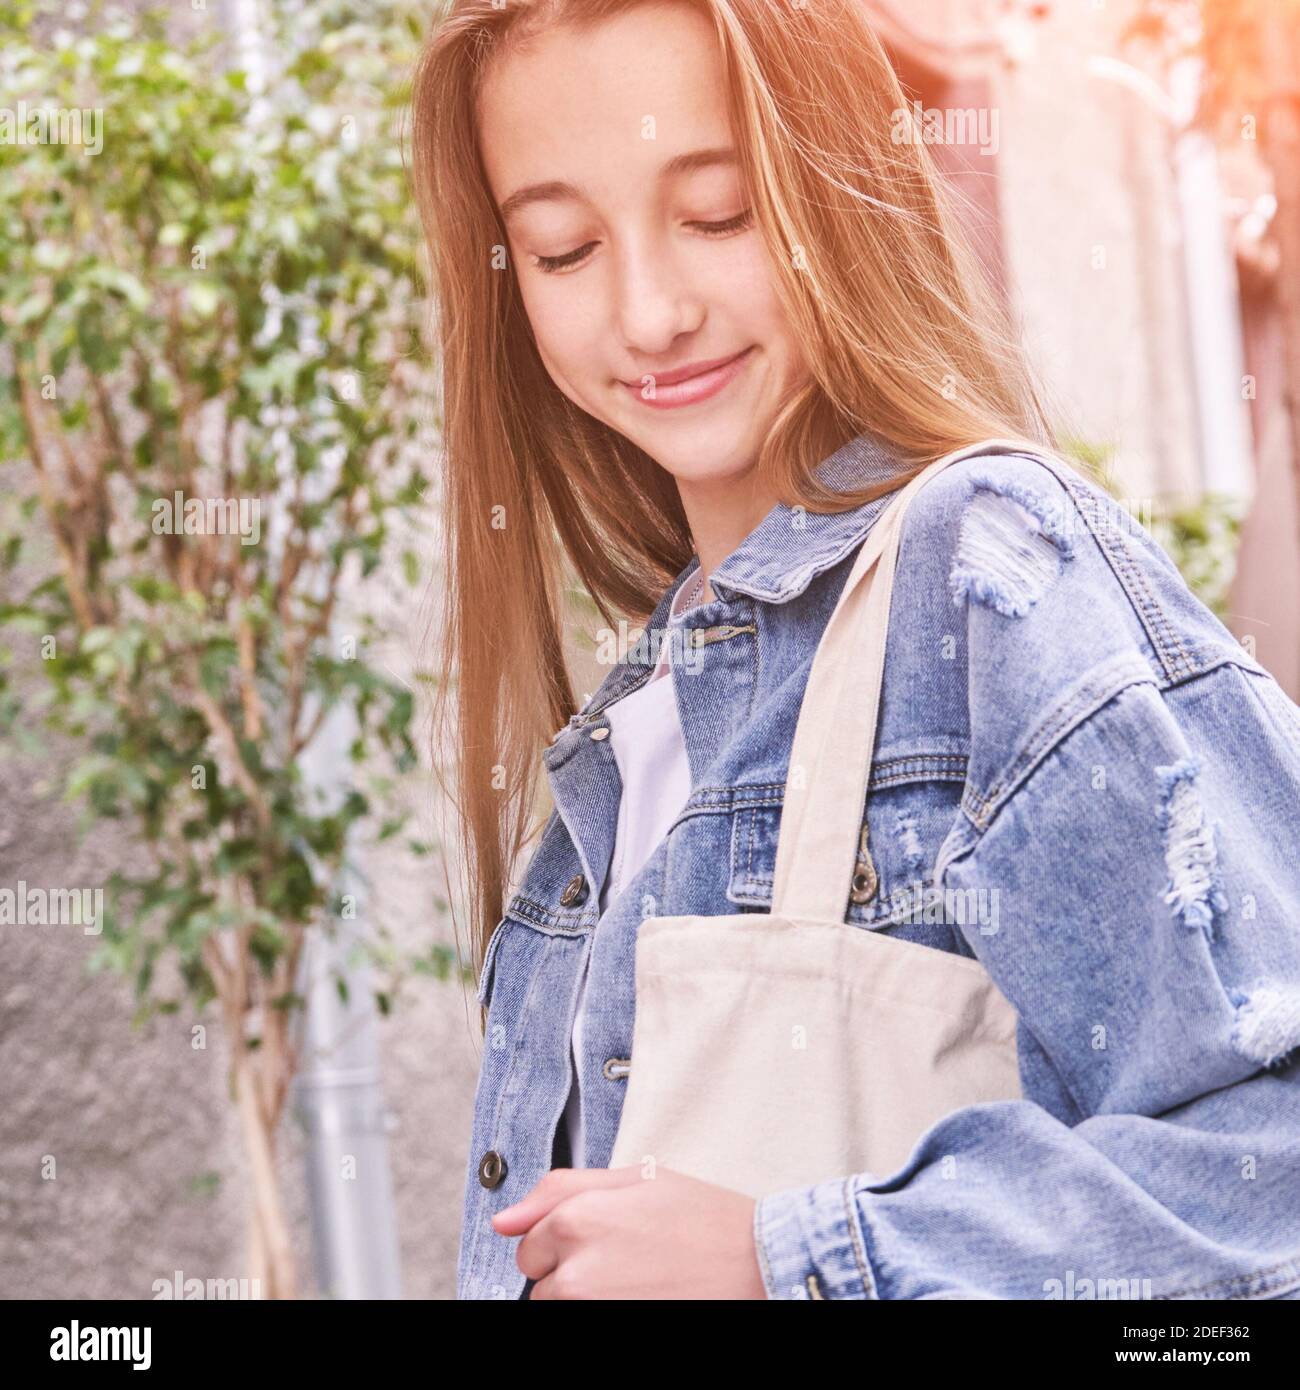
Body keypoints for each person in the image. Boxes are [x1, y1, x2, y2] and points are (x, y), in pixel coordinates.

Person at [411, 0, 1300, 1299]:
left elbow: (1266, 1167)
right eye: (563, 248)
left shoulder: (987, 565)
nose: (649, 311)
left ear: (843, 187)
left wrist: (793, 1258)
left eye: (718, 213)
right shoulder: (641, 713)